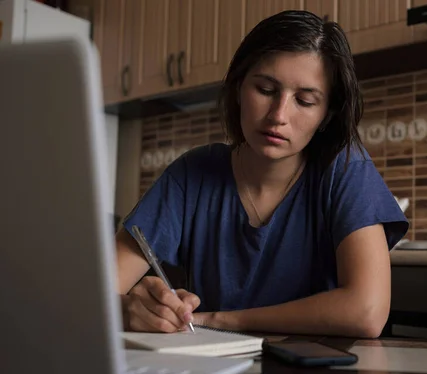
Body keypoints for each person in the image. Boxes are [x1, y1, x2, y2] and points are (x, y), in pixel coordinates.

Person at [115, 10, 408, 339]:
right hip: (213, 371)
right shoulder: (191, 174)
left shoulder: (344, 168)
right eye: (266, 90)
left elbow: (366, 312)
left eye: (305, 100)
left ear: (327, 116)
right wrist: (127, 310)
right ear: (239, 88)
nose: (279, 116)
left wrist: (221, 320)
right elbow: (97, 292)